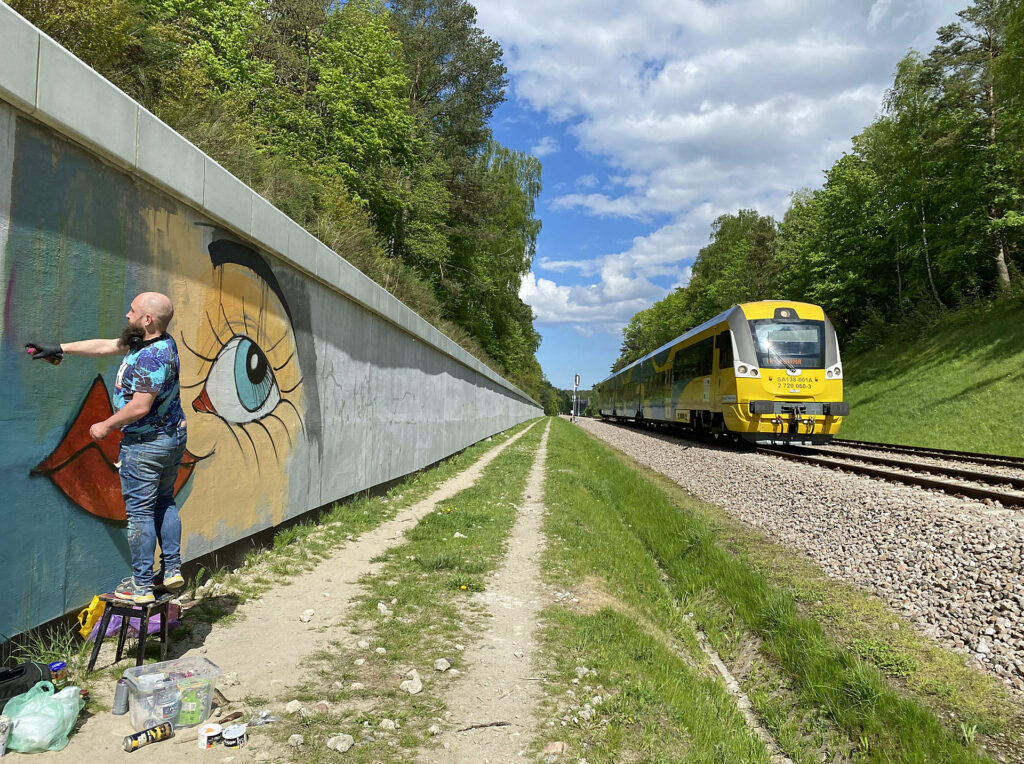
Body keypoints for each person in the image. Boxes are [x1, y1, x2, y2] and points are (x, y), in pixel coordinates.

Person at [27, 292, 188, 604]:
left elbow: (140, 406)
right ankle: (171, 570)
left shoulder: (150, 358)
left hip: (146, 446)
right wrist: (60, 348)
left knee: (140, 513)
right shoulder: (160, 342)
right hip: (170, 439)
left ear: (147, 320)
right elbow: (108, 346)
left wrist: (106, 425)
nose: (127, 315)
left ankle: (141, 587)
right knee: (164, 502)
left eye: (132, 311)